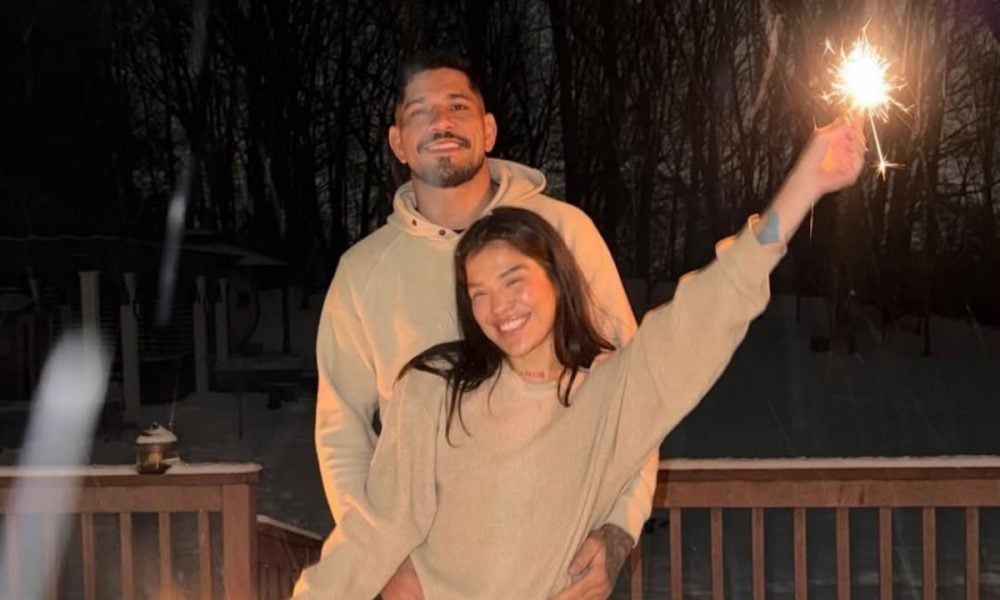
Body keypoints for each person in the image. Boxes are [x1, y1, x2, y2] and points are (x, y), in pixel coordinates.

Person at [295, 116, 867, 599]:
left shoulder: (606, 396)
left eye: (514, 279)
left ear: (556, 277)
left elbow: (713, 307)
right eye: (479, 293)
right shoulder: (434, 392)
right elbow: (370, 536)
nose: (499, 307)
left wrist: (805, 186)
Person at [314, 50, 657, 599]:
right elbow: (342, 433)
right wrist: (381, 560)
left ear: (488, 129)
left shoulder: (564, 234)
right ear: (398, 143)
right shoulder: (362, 273)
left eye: (457, 106)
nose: (441, 122)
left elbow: (634, 395)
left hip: (559, 571)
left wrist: (619, 527)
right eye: (420, 112)